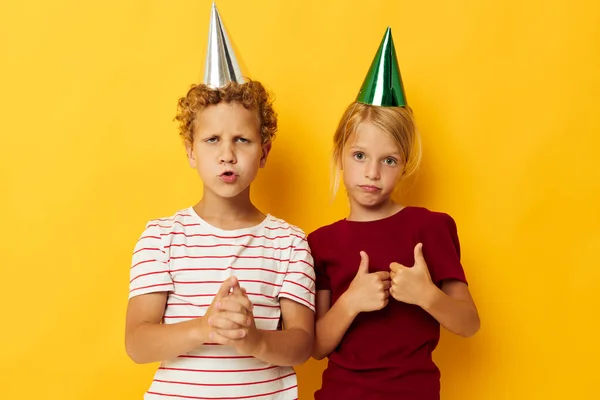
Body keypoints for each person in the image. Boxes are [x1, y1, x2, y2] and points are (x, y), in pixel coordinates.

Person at [125, 4, 315, 399]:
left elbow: (301, 343)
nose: (227, 154)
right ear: (191, 152)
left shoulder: (289, 243)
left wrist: (256, 341)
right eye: (212, 140)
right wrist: (205, 327)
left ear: (263, 152)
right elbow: (137, 343)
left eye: (241, 140)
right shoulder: (161, 237)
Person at [309, 27, 480, 400]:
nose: (372, 172)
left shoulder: (431, 227)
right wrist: (351, 302)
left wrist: (427, 295)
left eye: (388, 160)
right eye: (359, 156)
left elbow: (469, 324)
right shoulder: (320, 243)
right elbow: (316, 345)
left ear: (404, 165)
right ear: (340, 154)